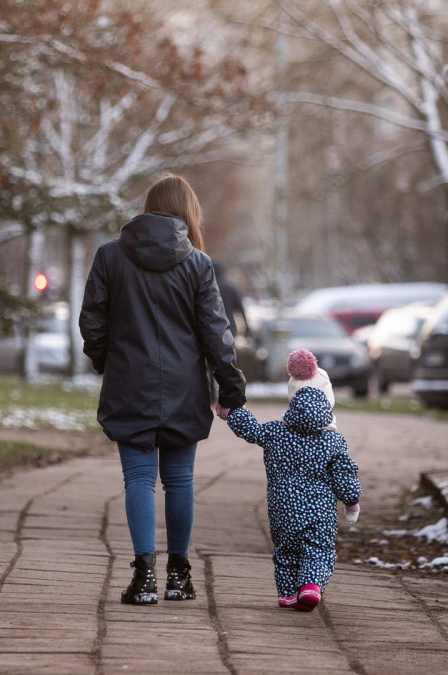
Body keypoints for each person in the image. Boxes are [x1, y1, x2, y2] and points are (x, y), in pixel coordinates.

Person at [80, 173, 246, 606]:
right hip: (183, 388)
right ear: (188, 211)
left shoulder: (110, 256)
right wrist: (230, 389)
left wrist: (107, 362)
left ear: (148, 207)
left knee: (138, 478)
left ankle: (143, 578)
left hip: (128, 384)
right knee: (180, 481)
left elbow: (92, 322)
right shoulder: (198, 264)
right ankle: (179, 574)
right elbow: (217, 334)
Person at [217, 387, 361, 611]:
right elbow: (344, 474)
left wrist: (233, 412)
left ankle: (287, 594)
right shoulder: (333, 441)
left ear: (293, 410)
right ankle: (310, 587)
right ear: (326, 413)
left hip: (283, 508)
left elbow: (252, 430)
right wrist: (352, 500)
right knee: (319, 549)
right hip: (320, 512)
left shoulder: (276, 431)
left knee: (286, 550)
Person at [286, 348, 338, 431]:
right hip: (326, 426)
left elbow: (292, 402)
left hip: (297, 427)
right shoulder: (322, 375)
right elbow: (330, 401)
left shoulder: (293, 381)